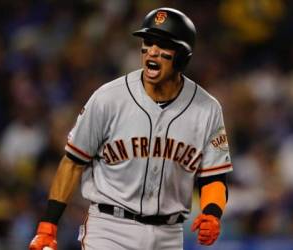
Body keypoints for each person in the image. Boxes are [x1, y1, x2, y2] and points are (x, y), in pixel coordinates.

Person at [29, 7, 233, 250]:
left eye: (163, 44)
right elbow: (73, 161)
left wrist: (212, 212)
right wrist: (48, 225)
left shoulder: (207, 109)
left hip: (169, 234)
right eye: (148, 42)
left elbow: (214, 177)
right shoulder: (108, 98)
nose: (152, 51)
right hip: (110, 229)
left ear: (182, 55)